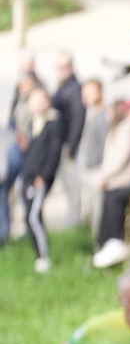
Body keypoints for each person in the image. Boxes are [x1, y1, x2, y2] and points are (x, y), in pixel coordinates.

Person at [18, 87, 64, 273]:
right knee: (29, 217)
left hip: (39, 178)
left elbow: (54, 153)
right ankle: (37, 253)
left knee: (33, 217)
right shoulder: (33, 123)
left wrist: (44, 176)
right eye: (34, 101)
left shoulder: (53, 124)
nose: (38, 104)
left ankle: (43, 257)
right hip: (28, 176)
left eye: (41, 100)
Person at [92, 100, 130, 267]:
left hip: (126, 179)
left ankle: (116, 241)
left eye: (110, 112)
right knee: (107, 199)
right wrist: (104, 176)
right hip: (114, 178)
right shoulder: (115, 129)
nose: (107, 116)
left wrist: (105, 176)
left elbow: (121, 159)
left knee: (113, 198)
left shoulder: (127, 130)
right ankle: (104, 243)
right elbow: (109, 158)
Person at [1, 72, 42, 245]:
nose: (23, 88)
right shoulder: (19, 101)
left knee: (22, 191)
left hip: (27, 153)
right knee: (6, 191)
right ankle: (5, 232)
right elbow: (12, 124)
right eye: (21, 85)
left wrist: (27, 138)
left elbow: (38, 130)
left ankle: (24, 230)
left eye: (27, 84)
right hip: (14, 149)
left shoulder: (37, 101)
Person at [52, 51, 86, 227]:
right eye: (58, 67)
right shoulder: (63, 86)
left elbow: (78, 119)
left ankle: (74, 222)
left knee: (72, 185)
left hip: (68, 145)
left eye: (64, 67)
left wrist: (71, 147)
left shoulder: (73, 89)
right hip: (61, 143)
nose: (61, 70)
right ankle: (72, 220)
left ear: (71, 67)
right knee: (66, 184)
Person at [78, 79, 110, 241]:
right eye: (84, 93)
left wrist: (103, 173)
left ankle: (100, 246)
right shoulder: (90, 114)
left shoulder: (104, 116)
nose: (86, 96)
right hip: (88, 169)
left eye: (89, 92)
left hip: (97, 171)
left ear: (100, 92)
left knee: (98, 215)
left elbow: (106, 147)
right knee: (89, 213)